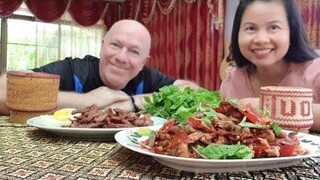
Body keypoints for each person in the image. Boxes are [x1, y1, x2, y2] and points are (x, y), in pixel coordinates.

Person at [0, 19, 198, 115]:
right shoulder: (74, 70)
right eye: (115, 45)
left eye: (134, 52)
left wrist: (135, 102)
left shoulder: (147, 78)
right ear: (102, 46)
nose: (121, 57)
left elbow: (193, 92)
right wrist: (87, 100)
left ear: (144, 62)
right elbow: (3, 90)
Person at [219, 0, 320, 132]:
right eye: (251, 28)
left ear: (291, 32)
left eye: (274, 27)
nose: (261, 39)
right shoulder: (233, 78)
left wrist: (268, 109)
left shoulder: (315, 73)